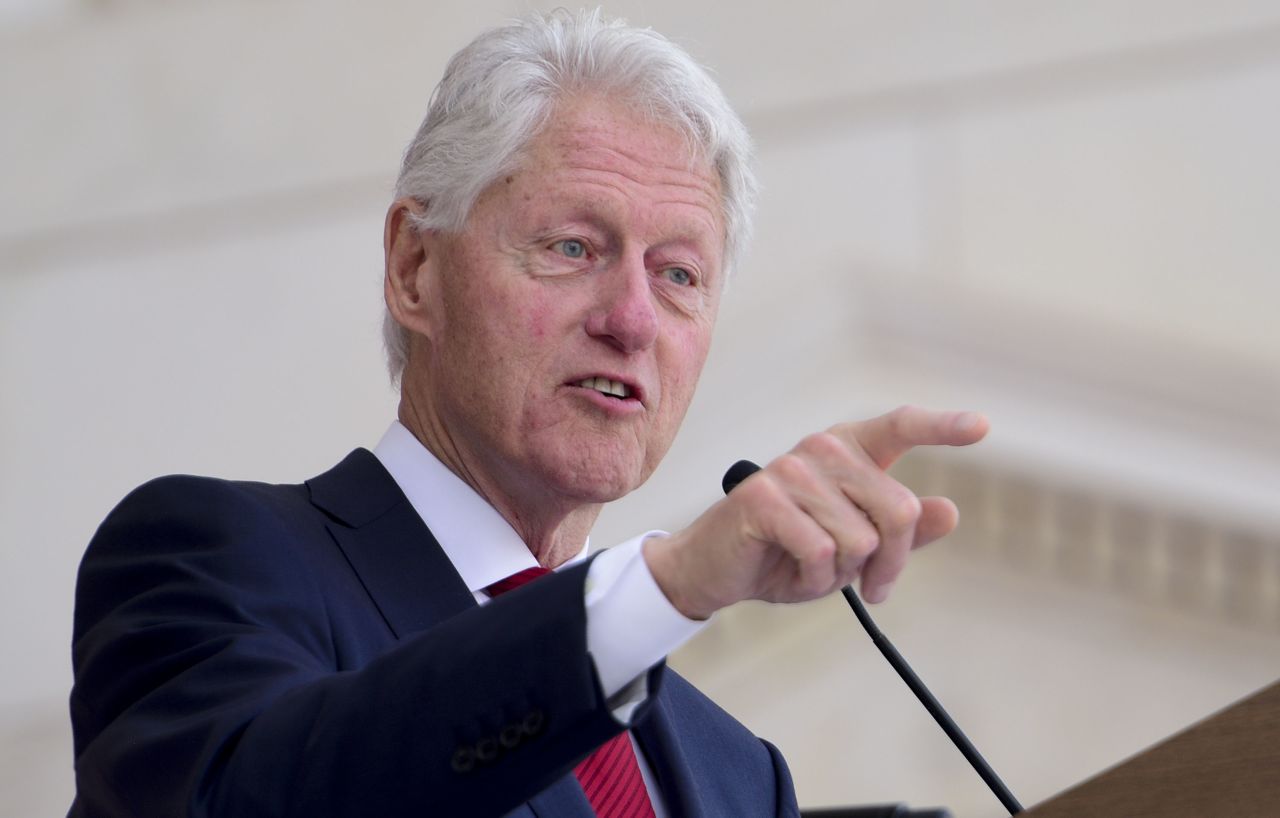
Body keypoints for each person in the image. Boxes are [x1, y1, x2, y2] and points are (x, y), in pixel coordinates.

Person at [69, 10, 988, 818]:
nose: (630, 320)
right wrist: (665, 589)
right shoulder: (207, 560)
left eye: (678, 275)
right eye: (573, 246)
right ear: (414, 271)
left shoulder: (739, 775)